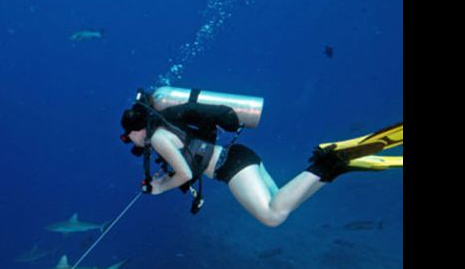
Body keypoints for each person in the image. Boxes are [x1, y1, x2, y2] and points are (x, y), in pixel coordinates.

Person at [119, 87, 403, 227]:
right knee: (280, 201)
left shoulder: (157, 137)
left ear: (136, 128)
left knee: (272, 216)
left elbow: (186, 173)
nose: (129, 141)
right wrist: (167, 178)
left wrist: (159, 188)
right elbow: (187, 162)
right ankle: (334, 168)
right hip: (238, 157)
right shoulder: (166, 129)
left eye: (126, 136)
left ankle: (327, 161)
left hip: (230, 166)